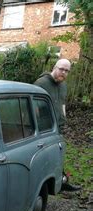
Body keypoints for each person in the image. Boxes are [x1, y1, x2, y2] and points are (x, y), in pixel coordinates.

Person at [34, 59, 81, 191]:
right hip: (45, 128)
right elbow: (34, 108)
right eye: (61, 69)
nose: (64, 72)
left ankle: (61, 180)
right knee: (46, 156)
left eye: (67, 71)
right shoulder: (41, 83)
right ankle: (43, 184)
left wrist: (63, 117)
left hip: (58, 127)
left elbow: (62, 103)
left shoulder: (63, 85)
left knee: (59, 153)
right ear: (54, 67)